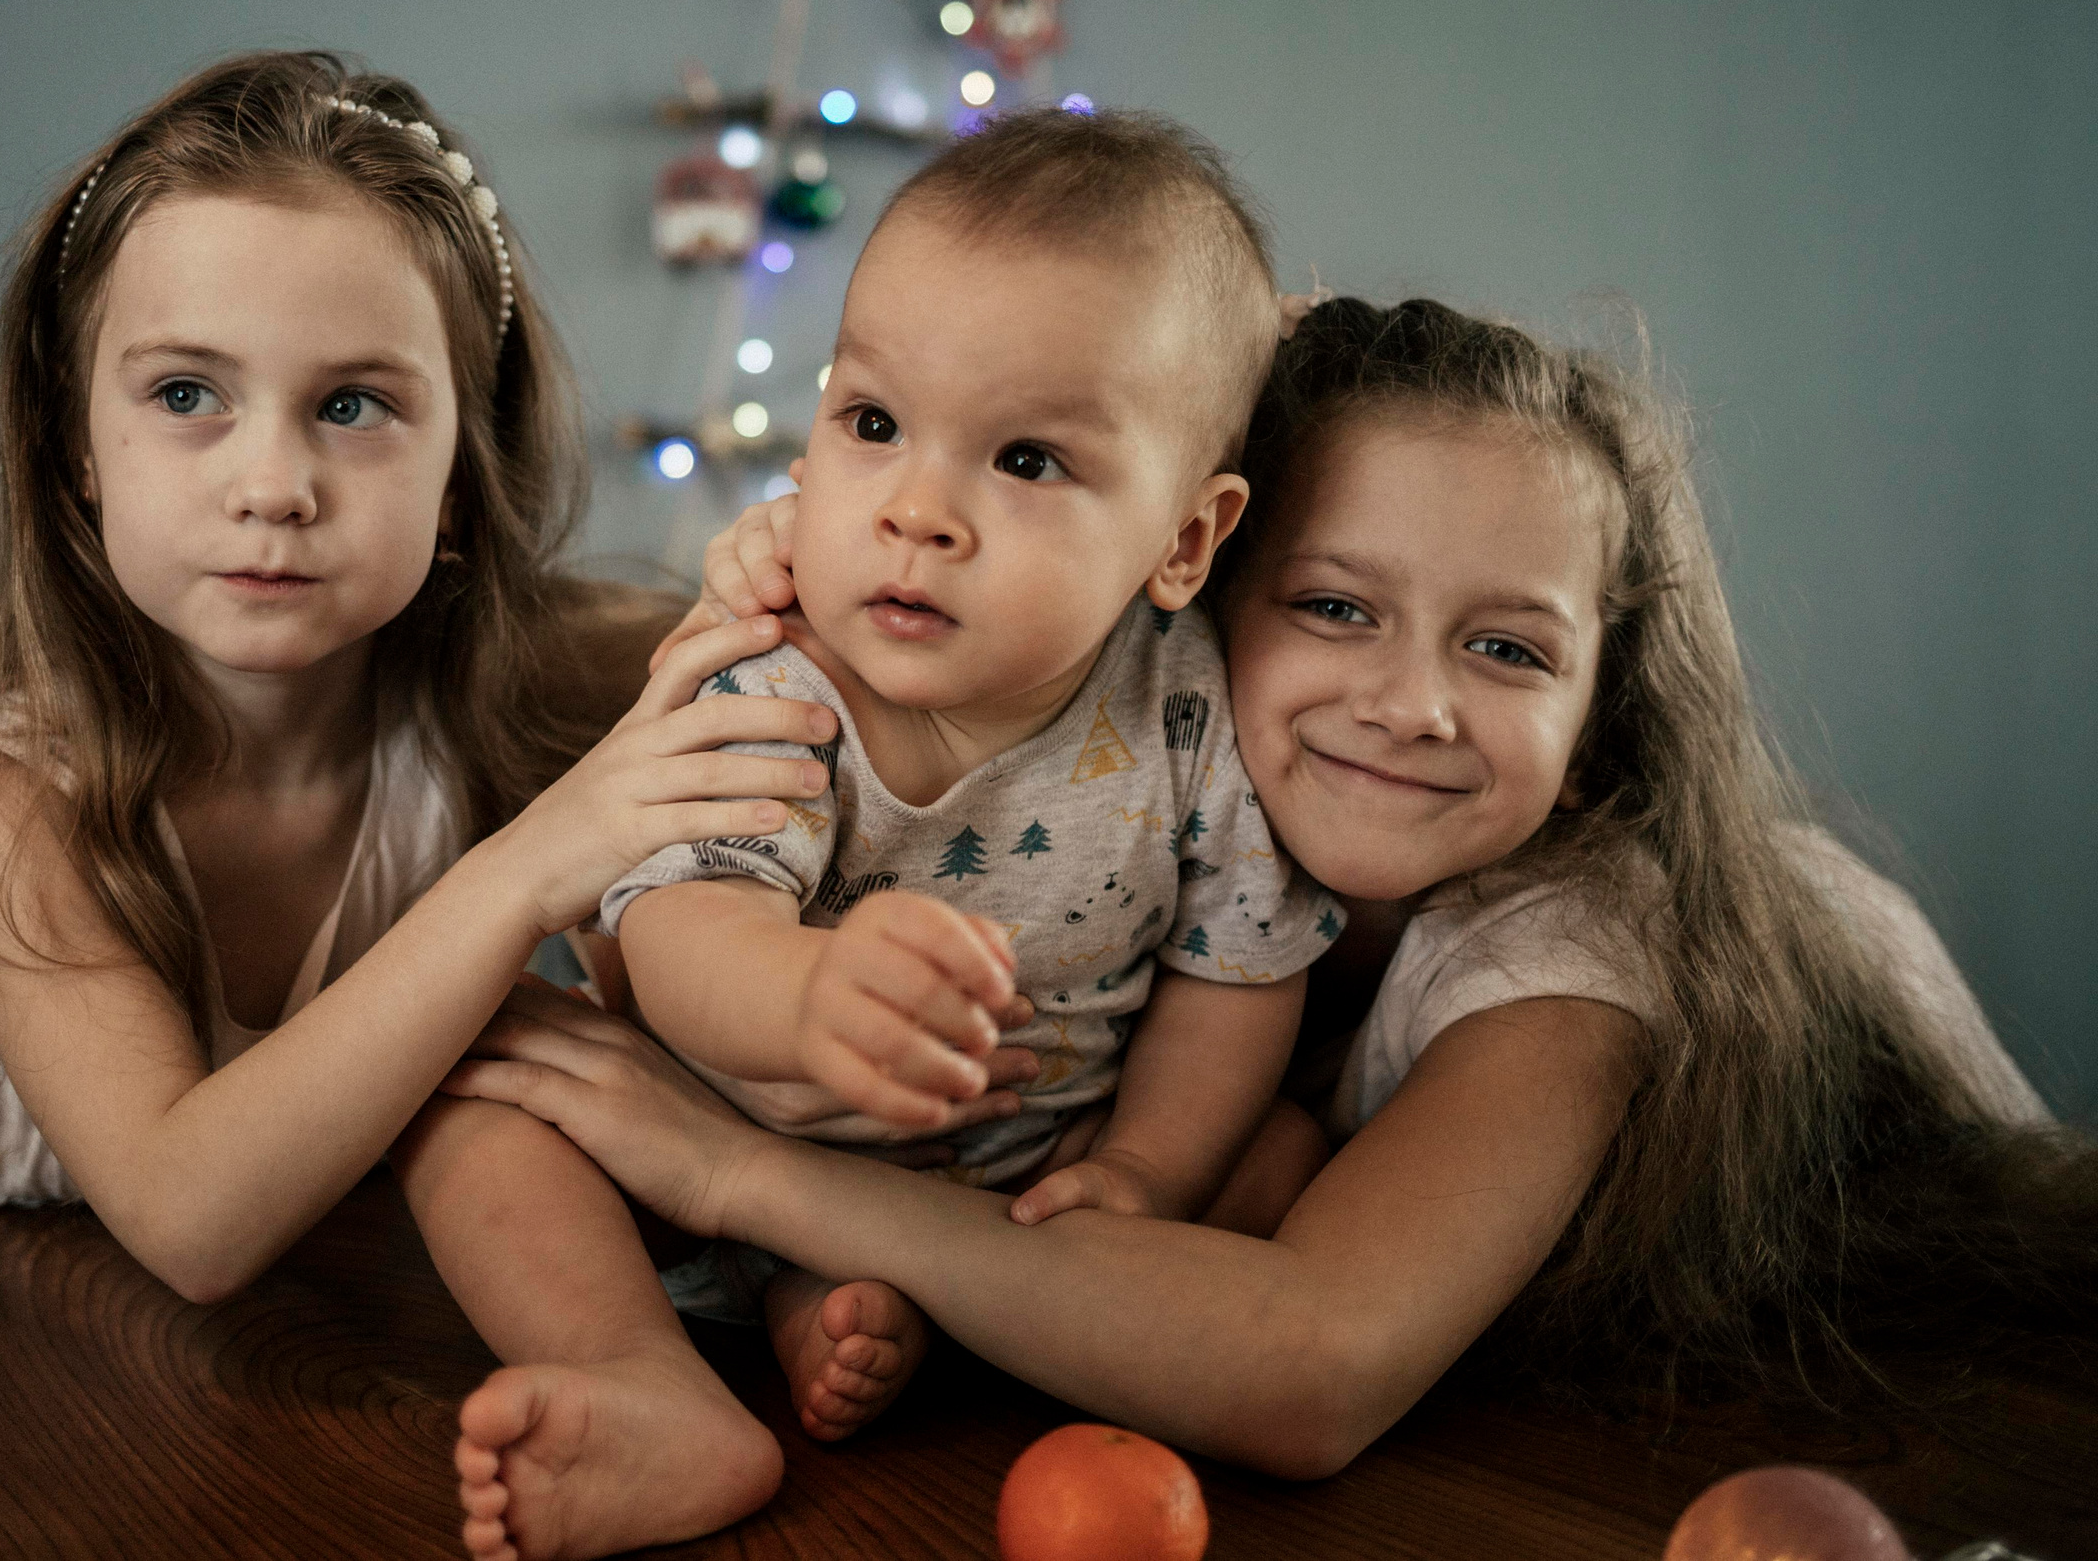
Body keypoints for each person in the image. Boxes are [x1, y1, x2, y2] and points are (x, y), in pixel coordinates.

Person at [451, 295, 2095, 1480]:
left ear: (1604, 708)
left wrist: (738, 1174)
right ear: (1183, 584)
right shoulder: (1140, 754)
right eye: (1334, 608)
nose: (1412, 704)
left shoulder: (1582, 937)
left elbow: (1315, 1365)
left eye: (1509, 649)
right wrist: (785, 552)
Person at [0, 50, 842, 1555]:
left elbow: (890, 681)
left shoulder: (535, 696)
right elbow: (191, 1220)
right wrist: (528, 870)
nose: (273, 484)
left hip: (254, 1362)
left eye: (354, 405)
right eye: (187, 394)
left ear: (462, 478)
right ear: (75, 450)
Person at [594, 110, 1341, 1443]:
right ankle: (771, 1306)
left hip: (1046, 1166)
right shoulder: (781, 672)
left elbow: (1237, 970)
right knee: (531, 1140)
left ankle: (980, 1296)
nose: (916, 511)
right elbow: (677, 926)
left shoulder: (1184, 702)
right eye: (874, 422)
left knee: (1281, 1152)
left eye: (1026, 459)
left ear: (1184, 540)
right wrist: (806, 998)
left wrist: (1147, 1171)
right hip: (762, 1148)